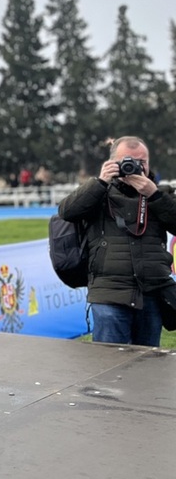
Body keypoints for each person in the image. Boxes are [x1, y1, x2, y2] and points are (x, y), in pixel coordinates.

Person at [57, 136, 176, 346]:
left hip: (151, 291)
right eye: (128, 161)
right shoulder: (99, 193)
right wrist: (100, 181)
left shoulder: (160, 193)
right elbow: (66, 211)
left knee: (147, 364)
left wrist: (154, 195)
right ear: (112, 163)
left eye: (142, 162)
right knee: (108, 367)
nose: (136, 167)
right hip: (109, 292)